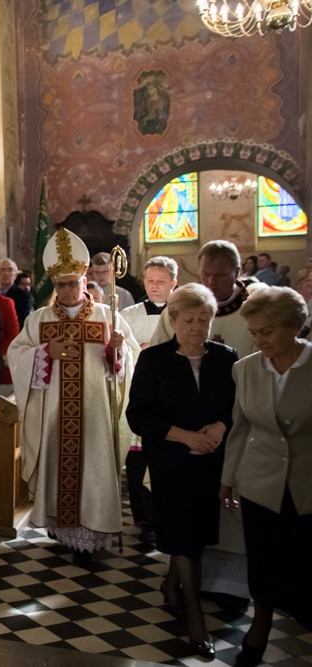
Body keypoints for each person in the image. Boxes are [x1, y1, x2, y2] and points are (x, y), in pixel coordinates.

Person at [8, 228, 139, 567]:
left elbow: (124, 370)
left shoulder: (107, 316)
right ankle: (62, 532)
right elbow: (15, 353)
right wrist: (44, 352)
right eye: (61, 284)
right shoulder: (40, 320)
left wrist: (118, 353)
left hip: (95, 414)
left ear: (85, 281)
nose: (67, 290)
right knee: (59, 471)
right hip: (54, 415)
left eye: (73, 282)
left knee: (94, 472)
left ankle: (95, 537)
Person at [149, 239, 266, 606]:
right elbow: (160, 358)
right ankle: (186, 581)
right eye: (205, 274)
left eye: (220, 275)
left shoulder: (256, 306)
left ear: (237, 272)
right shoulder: (183, 304)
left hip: (236, 430)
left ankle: (230, 587)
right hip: (183, 442)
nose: (212, 282)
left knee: (230, 516)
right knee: (186, 520)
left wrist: (224, 423)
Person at [126, 283, 237, 660]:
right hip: (171, 463)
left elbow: (235, 408)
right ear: (172, 320)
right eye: (188, 319)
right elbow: (139, 414)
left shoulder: (226, 358)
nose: (196, 326)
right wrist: (185, 437)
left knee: (195, 535)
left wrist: (222, 426)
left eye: (203, 319)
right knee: (183, 535)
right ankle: (195, 619)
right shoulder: (154, 360)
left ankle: (171, 586)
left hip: (211, 461)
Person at [220, 287, 312, 665]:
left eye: (266, 332)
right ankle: (260, 622)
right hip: (259, 483)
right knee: (262, 558)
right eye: (254, 332)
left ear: (293, 327)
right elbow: (239, 429)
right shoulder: (245, 368)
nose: (258, 340)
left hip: (308, 483)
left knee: (305, 558)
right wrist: (227, 480)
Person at [120, 256, 178, 540]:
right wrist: (131, 350)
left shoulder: (183, 312)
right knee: (136, 458)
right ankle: (142, 517)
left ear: (173, 283)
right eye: (150, 281)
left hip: (170, 397)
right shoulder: (129, 315)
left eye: (161, 282)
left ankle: (165, 512)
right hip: (139, 393)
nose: (154, 287)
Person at [0, 257, 33, 327]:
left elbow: (22, 321)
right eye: (2, 270)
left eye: (10, 270)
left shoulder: (23, 296)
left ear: (15, 275)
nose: (6, 273)